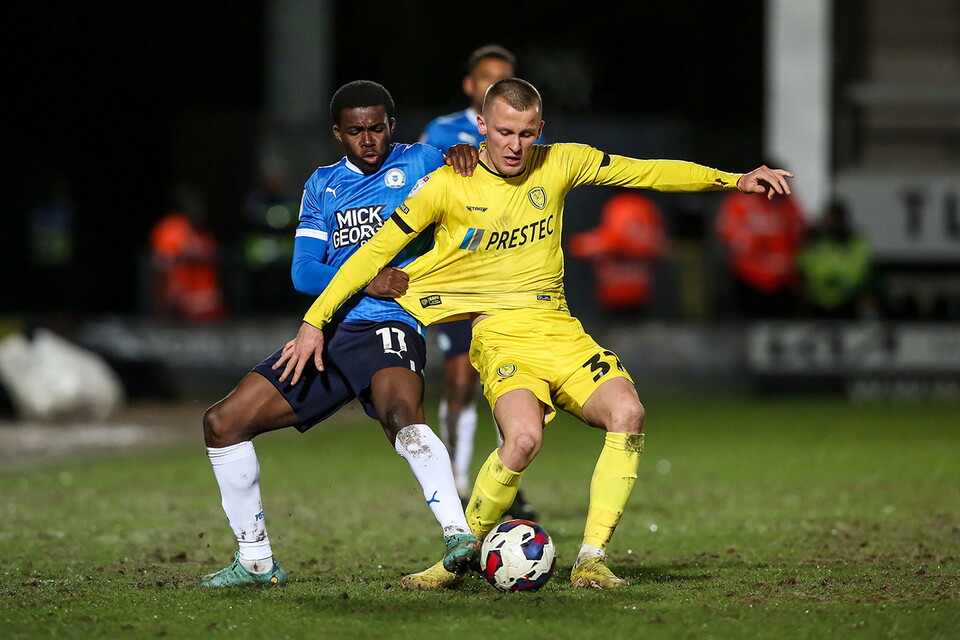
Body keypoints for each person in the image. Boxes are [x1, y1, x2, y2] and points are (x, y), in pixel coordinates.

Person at [275, 78, 794, 590]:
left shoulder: (561, 162)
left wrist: (735, 180)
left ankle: (592, 561)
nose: (514, 146)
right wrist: (314, 322)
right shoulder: (445, 185)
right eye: (504, 132)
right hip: (500, 336)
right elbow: (368, 255)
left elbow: (648, 171)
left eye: (525, 134)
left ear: (539, 130)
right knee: (522, 441)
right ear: (482, 126)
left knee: (628, 413)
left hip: (561, 332)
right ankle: (456, 558)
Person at [198, 80, 481, 590]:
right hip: (328, 335)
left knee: (400, 415)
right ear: (337, 133)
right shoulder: (323, 185)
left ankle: (458, 535)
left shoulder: (422, 161)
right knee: (222, 424)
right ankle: (256, 561)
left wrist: (468, 156)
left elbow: (484, 188)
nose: (367, 140)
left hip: (392, 324)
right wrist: (365, 278)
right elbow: (304, 272)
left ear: (392, 126)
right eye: (355, 131)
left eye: (376, 128)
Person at [419, 45, 537, 519]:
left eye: (503, 78)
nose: (494, 85)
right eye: (487, 77)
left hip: (510, 277)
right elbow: (421, 189)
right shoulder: (442, 132)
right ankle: (458, 476)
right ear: (470, 84)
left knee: (512, 379)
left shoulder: (524, 134)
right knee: (460, 377)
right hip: (460, 276)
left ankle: (504, 479)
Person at [714, 173, 806, 318]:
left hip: (784, 282)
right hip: (749, 279)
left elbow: (799, 235)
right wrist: (761, 239)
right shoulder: (740, 202)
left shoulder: (788, 204)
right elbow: (731, 238)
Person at [569, 190, 667, 314]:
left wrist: (598, 243)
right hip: (610, 296)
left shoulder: (637, 206)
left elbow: (655, 244)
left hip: (641, 297)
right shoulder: (629, 204)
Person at [149, 186, 225, 324]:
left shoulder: (203, 236)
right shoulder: (170, 230)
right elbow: (162, 264)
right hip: (182, 307)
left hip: (204, 306)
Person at [797, 200, 873, 319]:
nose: (831, 222)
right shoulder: (814, 240)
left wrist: (839, 280)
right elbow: (805, 263)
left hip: (847, 299)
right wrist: (825, 279)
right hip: (817, 299)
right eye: (829, 218)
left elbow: (860, 267)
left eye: (835, 218)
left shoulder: (854, 241)